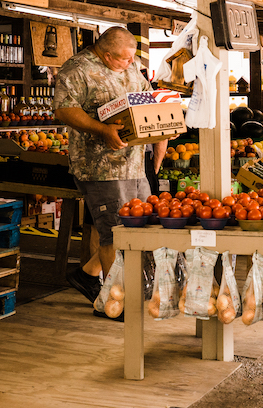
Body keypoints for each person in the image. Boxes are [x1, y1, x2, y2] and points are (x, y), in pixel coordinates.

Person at [53, 27, 167, 319]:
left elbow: (149, 101)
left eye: (132, 59)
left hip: (134, 163)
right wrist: (101, 130)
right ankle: (115, 303)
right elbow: (64, 110)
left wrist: (163, 132)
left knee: (141, 228)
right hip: (99, 167)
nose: (130, 65)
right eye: (123, 60)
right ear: (105, 54)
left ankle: (88, 275)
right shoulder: (77, 70)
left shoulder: (132, 69)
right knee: (113, 233)